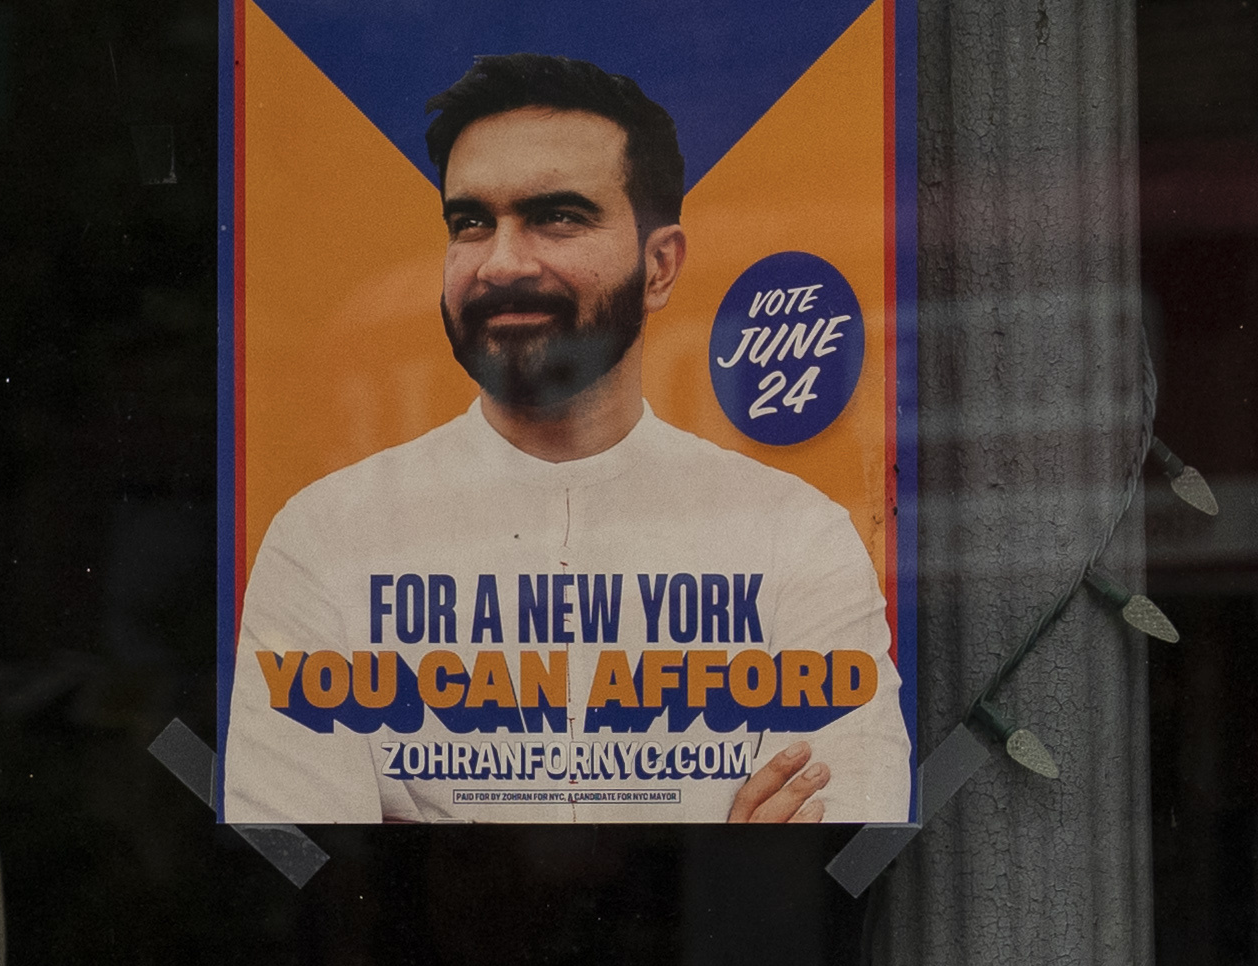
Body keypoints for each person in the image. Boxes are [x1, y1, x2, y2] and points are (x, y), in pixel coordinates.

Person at [222, 52, 916, 828]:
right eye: (471, 222)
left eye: (556, 215)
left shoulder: (797, 538)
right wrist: (713, 856)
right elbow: (309, 889)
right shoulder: (324, 537)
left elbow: (825, 866)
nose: (502, 262)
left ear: (659, 267)